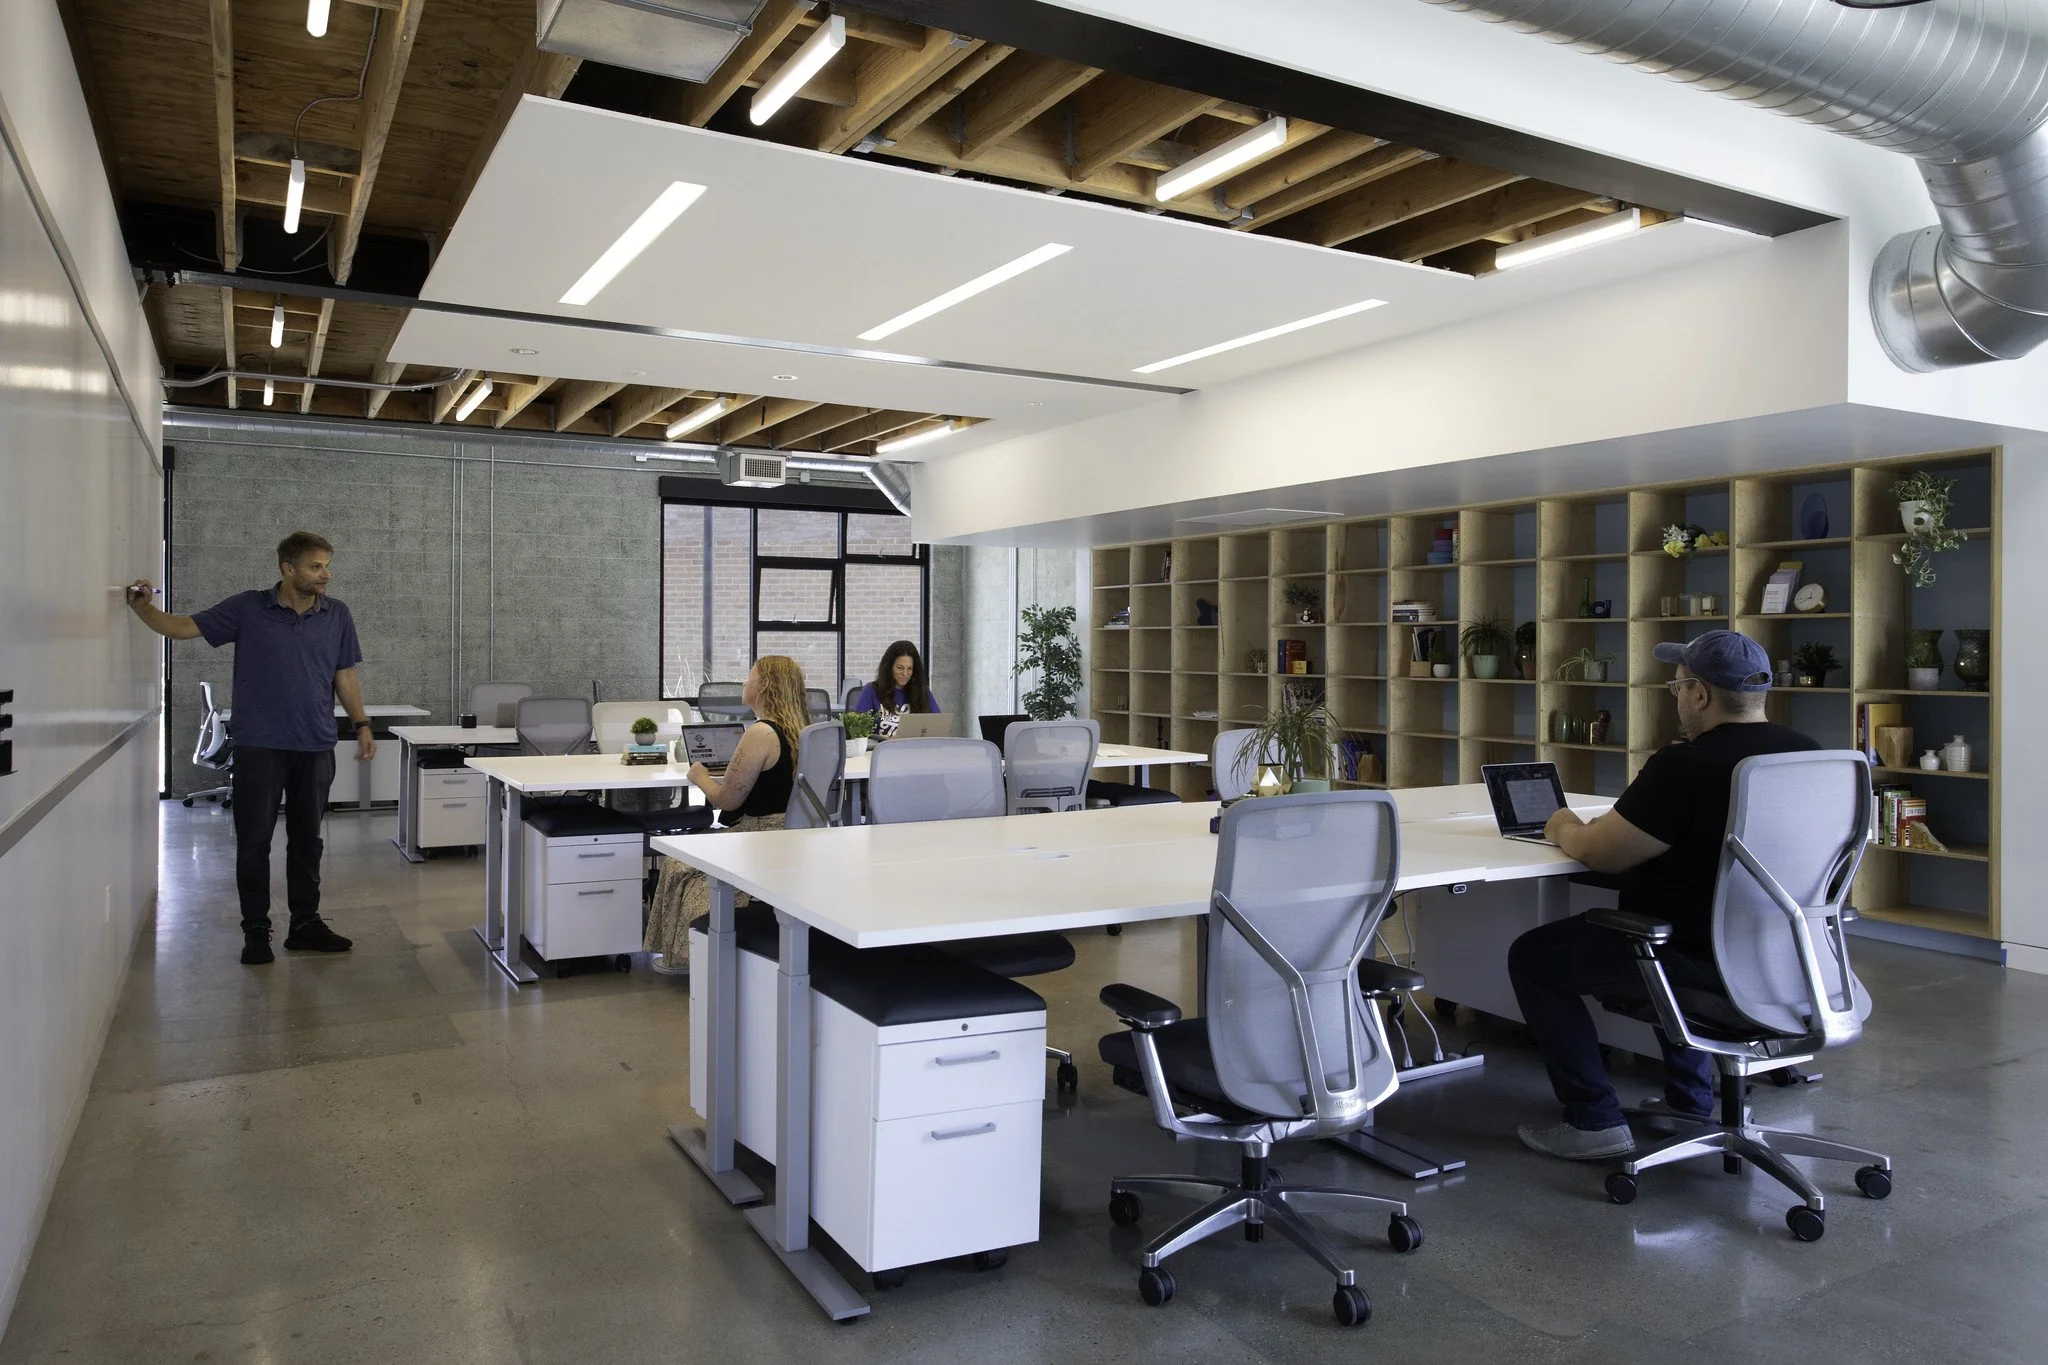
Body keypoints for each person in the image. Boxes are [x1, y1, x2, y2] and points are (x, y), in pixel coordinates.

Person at [1509, 629, 1819, 1160]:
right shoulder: (1809, 757)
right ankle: (1693, 1102)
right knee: (1664, 935)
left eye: (1676, 687)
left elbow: (1602, 852)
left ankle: (1594, 1120)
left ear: (1700, 694)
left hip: (1695, 957)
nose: (1675, 697)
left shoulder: (1686, 764)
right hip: (1789, 955)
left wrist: (1561, 824)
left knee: (1534, 958)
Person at [126, 532, 372, 965]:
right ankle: (256, 929)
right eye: (316, 566)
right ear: (288, 568)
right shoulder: (247, 609)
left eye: (327, 566)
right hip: (259, 745)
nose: (326, 574)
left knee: (307, 840)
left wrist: (362, 724)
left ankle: (304, 923)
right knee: (254, 841)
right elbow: (182, 627)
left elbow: (345, 675)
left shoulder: (337, 615)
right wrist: (143, 608)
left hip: (314, 744)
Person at [644, 655, 810, 971]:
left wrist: (699, 776)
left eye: (750, 677)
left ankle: (681, 957)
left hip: (757, 840)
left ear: (764, 687)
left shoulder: (761, 733)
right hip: (790, 838)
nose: (745, 683)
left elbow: (726, 800)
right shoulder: (800, 729)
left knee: (678, 865)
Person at [852, 641, 940, 738]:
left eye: (910, 668)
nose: (905, 673)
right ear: (889, 667)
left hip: (915, 750)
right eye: (900, 668)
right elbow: (856, 731)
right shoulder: (871, 690)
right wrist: (884, 740)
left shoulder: (923, 691)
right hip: (881, 750)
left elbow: (937, 725)